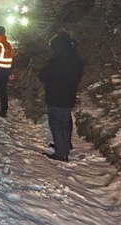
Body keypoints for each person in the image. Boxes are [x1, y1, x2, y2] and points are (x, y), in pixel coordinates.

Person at [39, 32, 84, 162]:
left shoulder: (56, 61)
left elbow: (43, 75)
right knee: (65, 122)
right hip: (69, 95)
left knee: (56, 124)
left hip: (55, 96)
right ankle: (64, 145)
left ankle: (61, 153)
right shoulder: (76, 60)